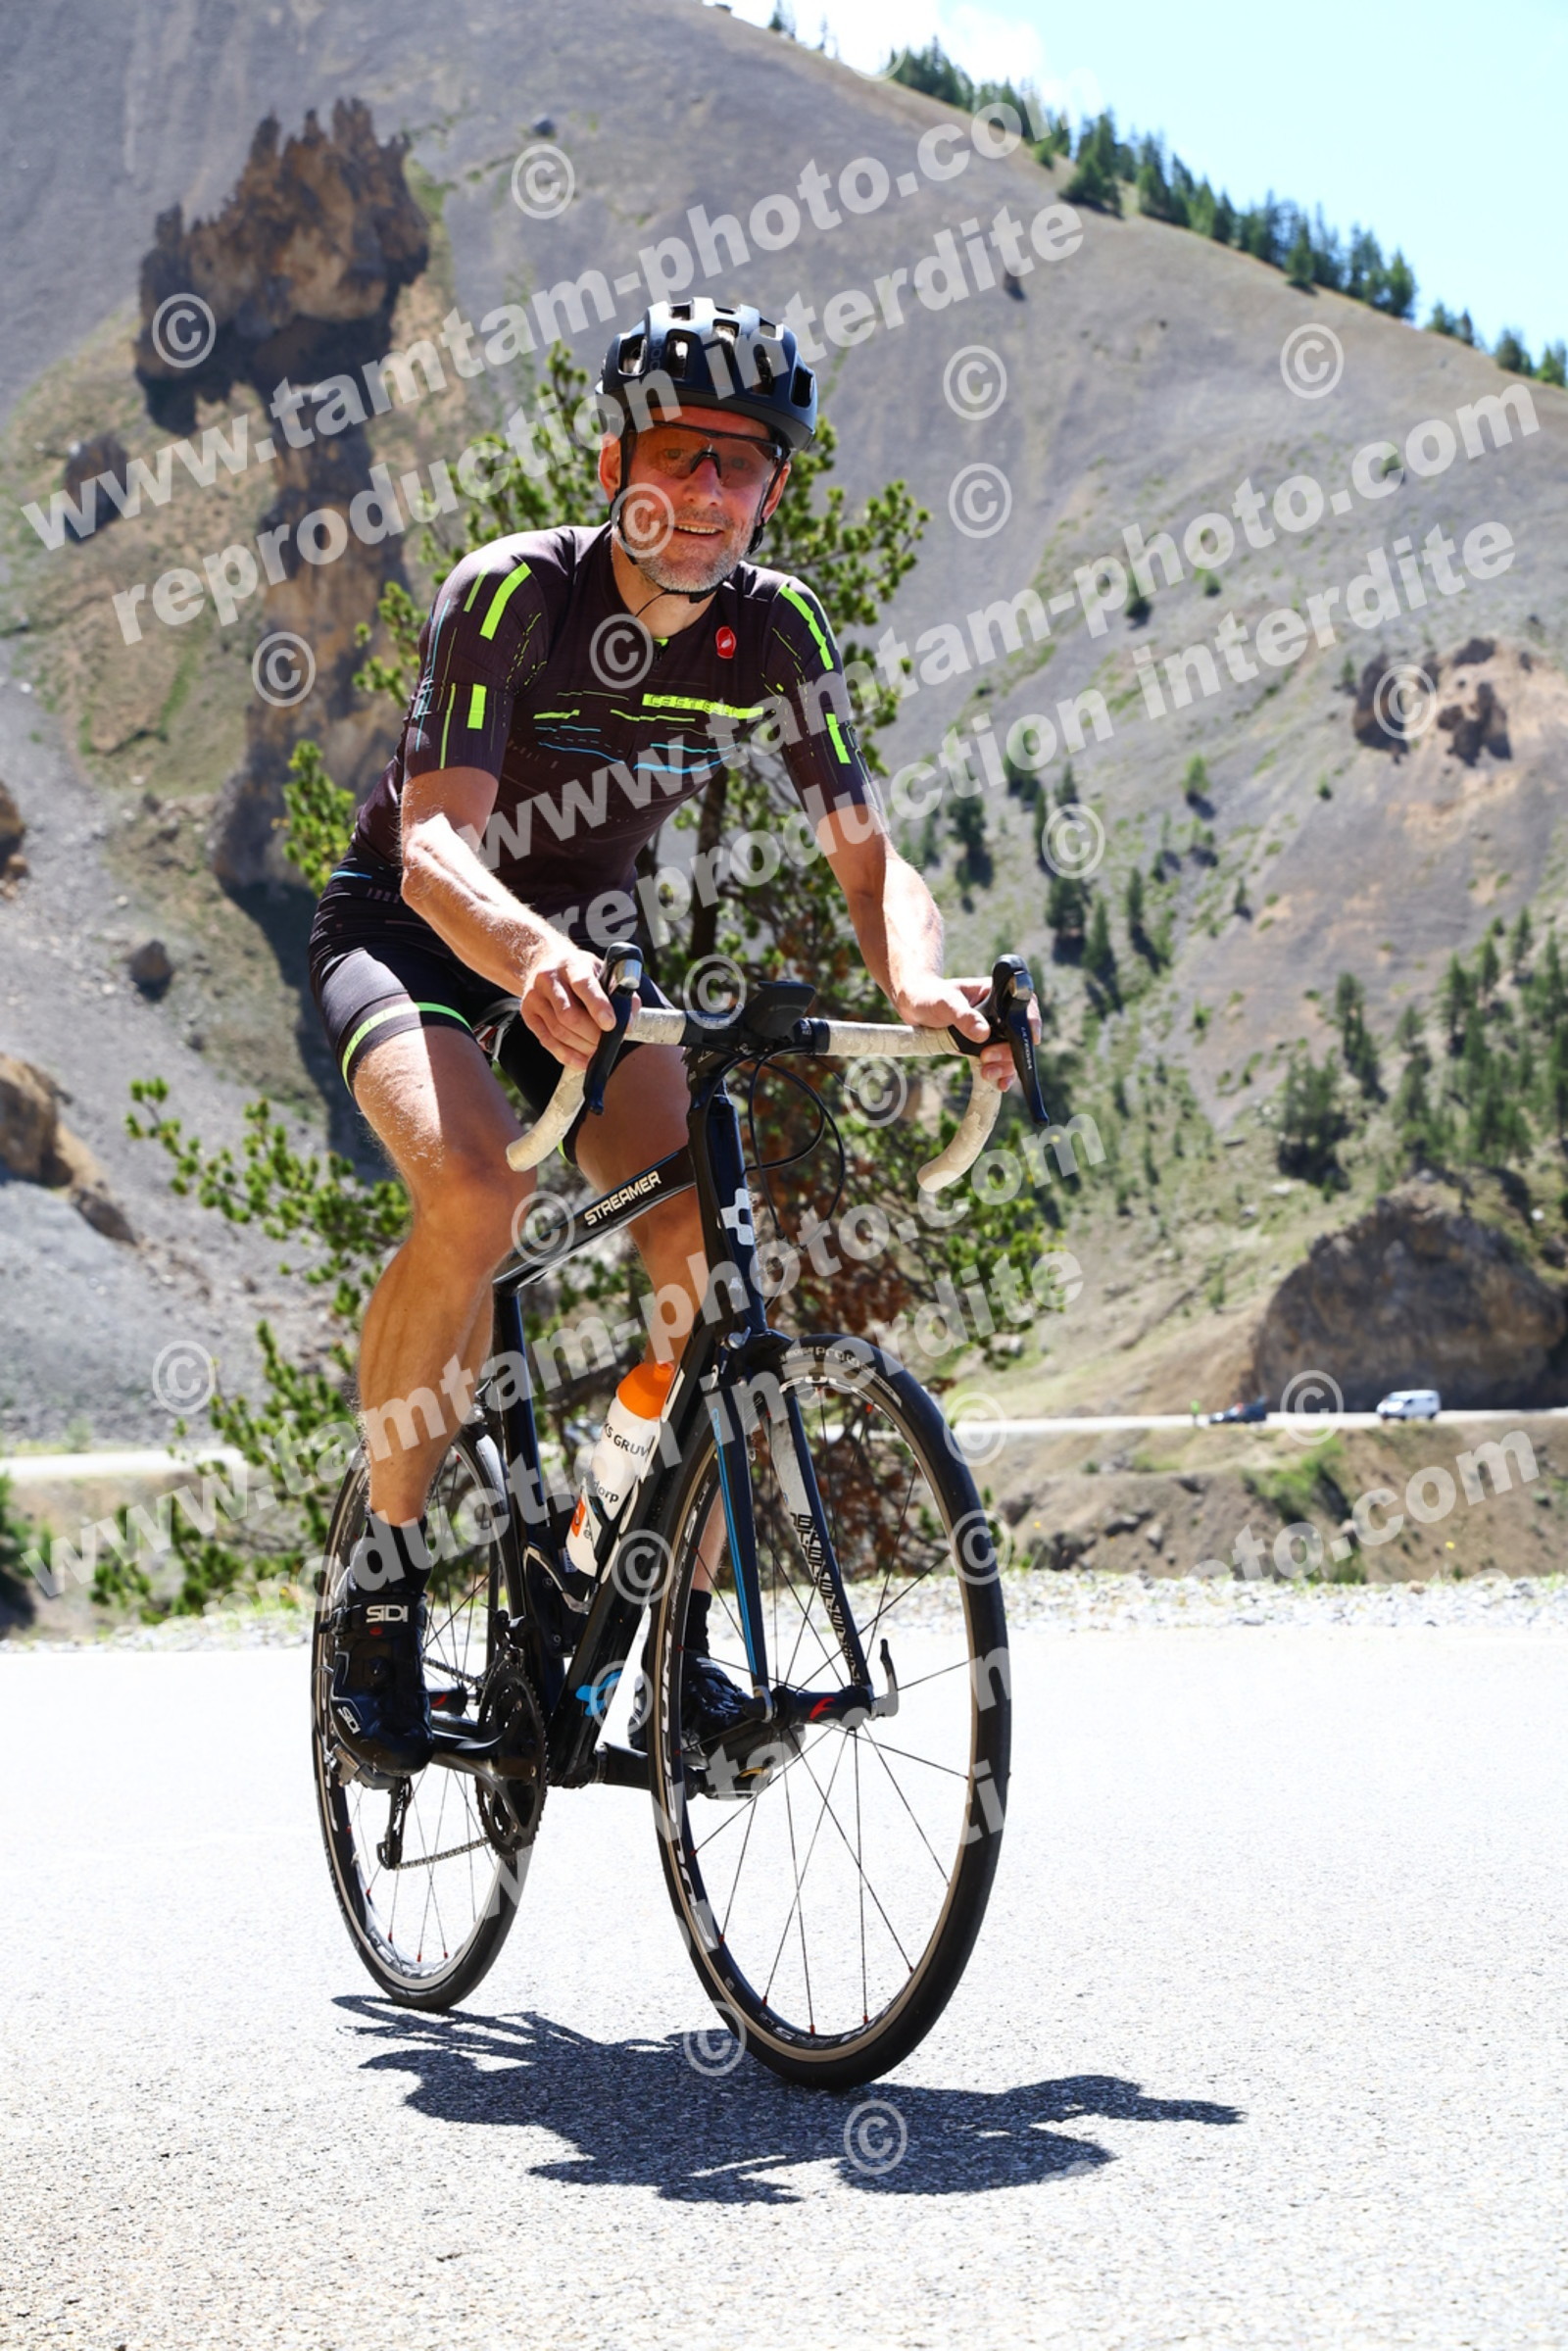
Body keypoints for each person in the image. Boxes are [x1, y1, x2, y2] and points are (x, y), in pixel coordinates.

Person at [307, 296, 1032, 1777]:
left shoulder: (777, 629)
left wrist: (918, 984)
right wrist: (530, 953)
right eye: (678, 453)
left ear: (774, 488)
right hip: (418, 932)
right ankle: (377, 1586)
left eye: (741, 462)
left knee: (707, 1249)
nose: (706, 490)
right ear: (613, 465)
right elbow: (435, 849)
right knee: (476, 1195)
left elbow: (868, 860)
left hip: (591, 951)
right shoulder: (513, 595)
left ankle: (649, 1595)